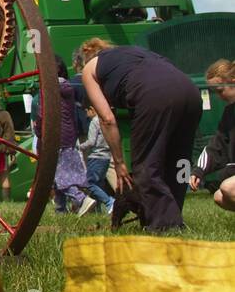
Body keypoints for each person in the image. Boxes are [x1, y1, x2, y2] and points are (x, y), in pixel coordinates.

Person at [77, 38, 202, 233]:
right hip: (191, 93)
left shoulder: (89, 69)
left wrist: (118, 162)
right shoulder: (134, 53)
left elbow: (107, 118)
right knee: (179, 162)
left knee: (146, 166)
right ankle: (173, 217)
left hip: (154, 95)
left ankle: (164, 226)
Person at [41, 56, 97, 216]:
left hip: (55, 135)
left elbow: (41, 114)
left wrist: (39, 132)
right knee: (61, 171)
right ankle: (60, 209)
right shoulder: (67, 86)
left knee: (58, 173)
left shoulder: (51, 88)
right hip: (69, 135)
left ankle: (81, 199)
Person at [191, 58, 235, 212]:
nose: (219, 96)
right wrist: (199, 171)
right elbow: (216, 146)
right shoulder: (229, 113)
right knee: (219, 196)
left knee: (228, 188)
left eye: (220, 90)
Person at [79, 105, 116, 213]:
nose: (86, 113)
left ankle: (109, 202)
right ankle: (97, 210)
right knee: (99, 184)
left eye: (86, 110)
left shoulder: (94, 121)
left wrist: (79, 147)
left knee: (89, 183)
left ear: (92, 109)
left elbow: (91, 142)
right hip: (106, 156)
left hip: (96, 156)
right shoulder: (107, 120)